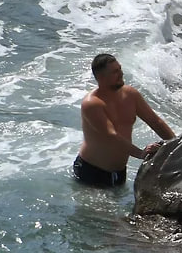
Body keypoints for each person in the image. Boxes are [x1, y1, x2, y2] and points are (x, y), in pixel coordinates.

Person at [73, 53, 176, 187]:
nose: (121, 74)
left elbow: (155, 122)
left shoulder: (131, 95)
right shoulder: (92, 104)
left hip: (120, 172)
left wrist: (177, 145)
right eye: (115, 72)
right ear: (101, 77)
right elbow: (111, 136)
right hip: (91, 172)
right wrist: (141, 153)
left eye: (120, 69)